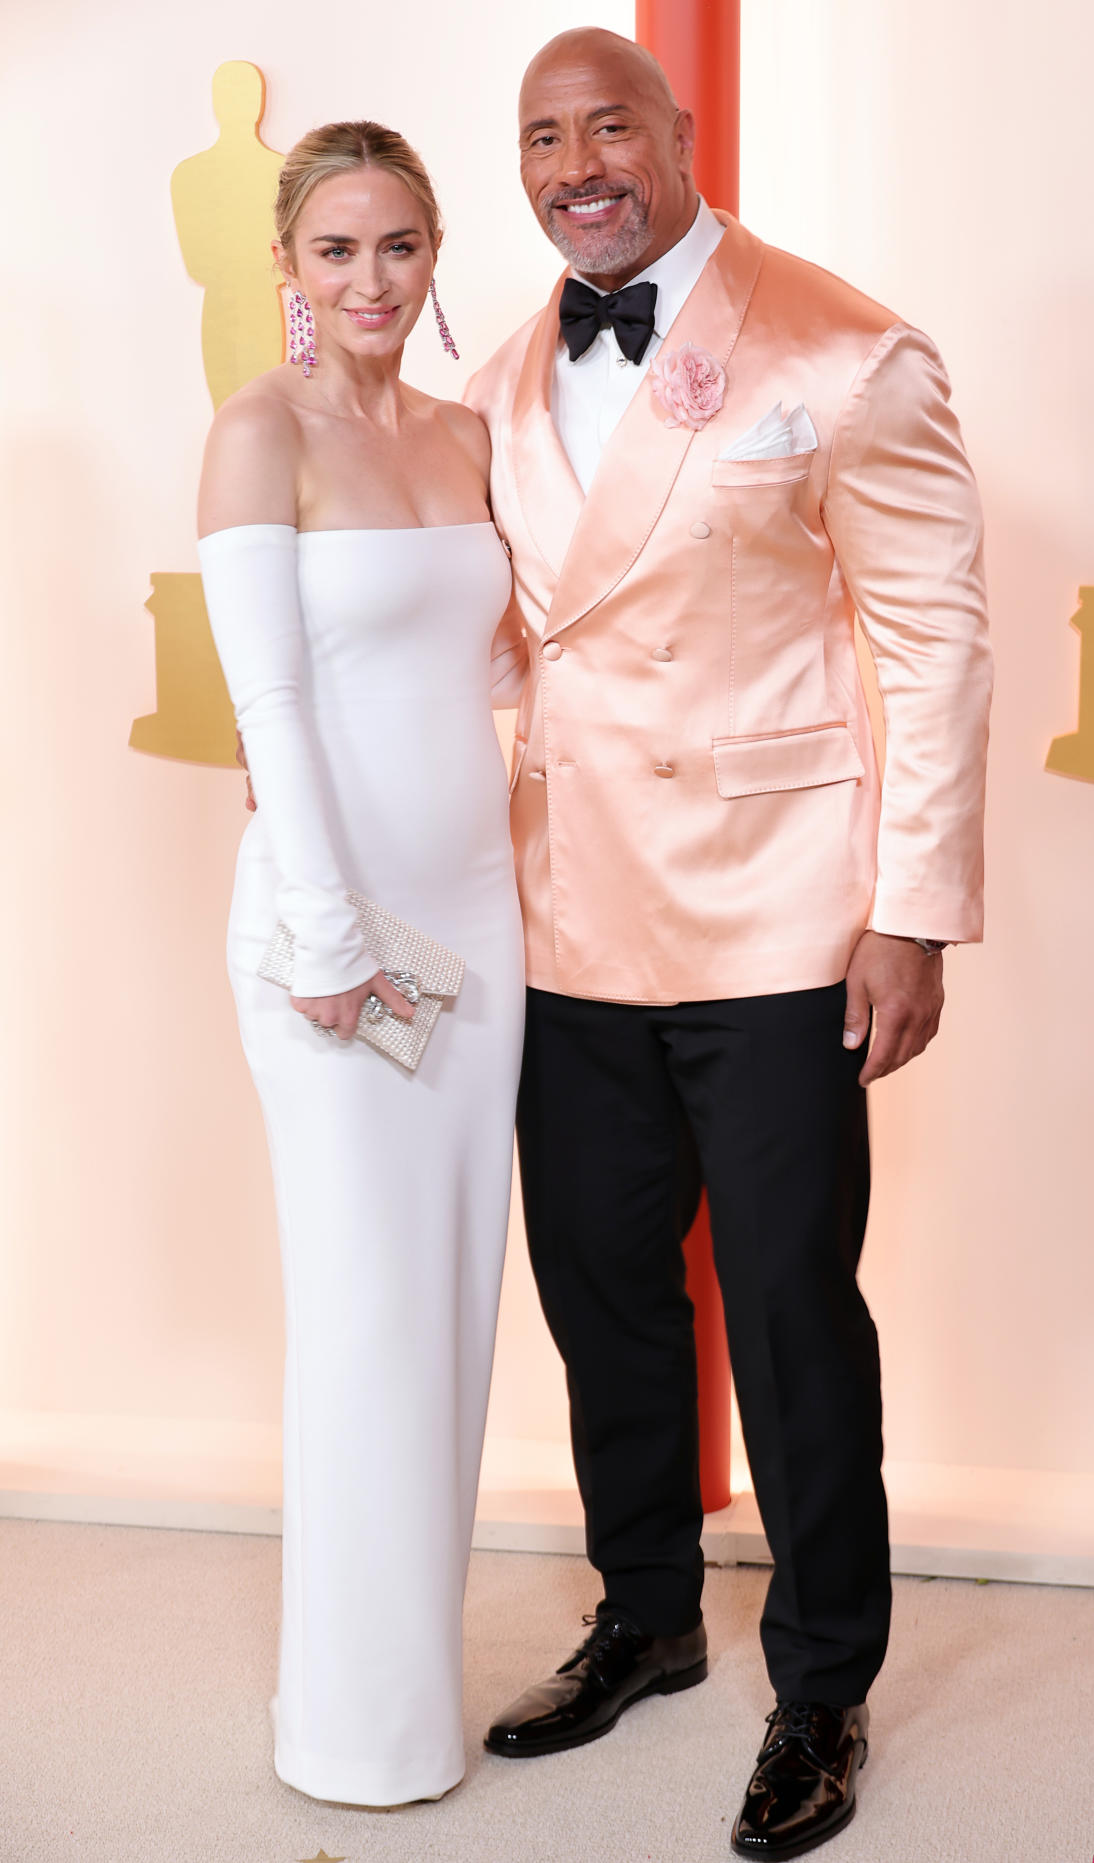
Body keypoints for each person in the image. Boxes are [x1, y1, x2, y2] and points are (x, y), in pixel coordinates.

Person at [465, 28, 992, 1858]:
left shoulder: (841, 342)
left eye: (610, 123)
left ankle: (824, 1687)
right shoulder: (492, 370)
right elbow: (495, 641)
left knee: (784, 1309)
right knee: (600, 1292)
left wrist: (910, 910)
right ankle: (644, 1615)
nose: (576, 161)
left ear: (679, 135)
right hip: (562, 908)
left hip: (778, 912)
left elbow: (934, 637)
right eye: (542, 136)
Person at [196, 121, 525, 1808]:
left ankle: (411, 1695)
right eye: (337, 251)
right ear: (290, 269)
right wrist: (325, 940)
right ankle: (350, 1729)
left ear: (433, 252)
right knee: (363, 1316)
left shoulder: (470, 436)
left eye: (399, 245)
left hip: (476, 930)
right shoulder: (257, 433)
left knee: (451, 1313)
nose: (372, 278)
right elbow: (268, 707)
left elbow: (518, 668)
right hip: (335, 944)